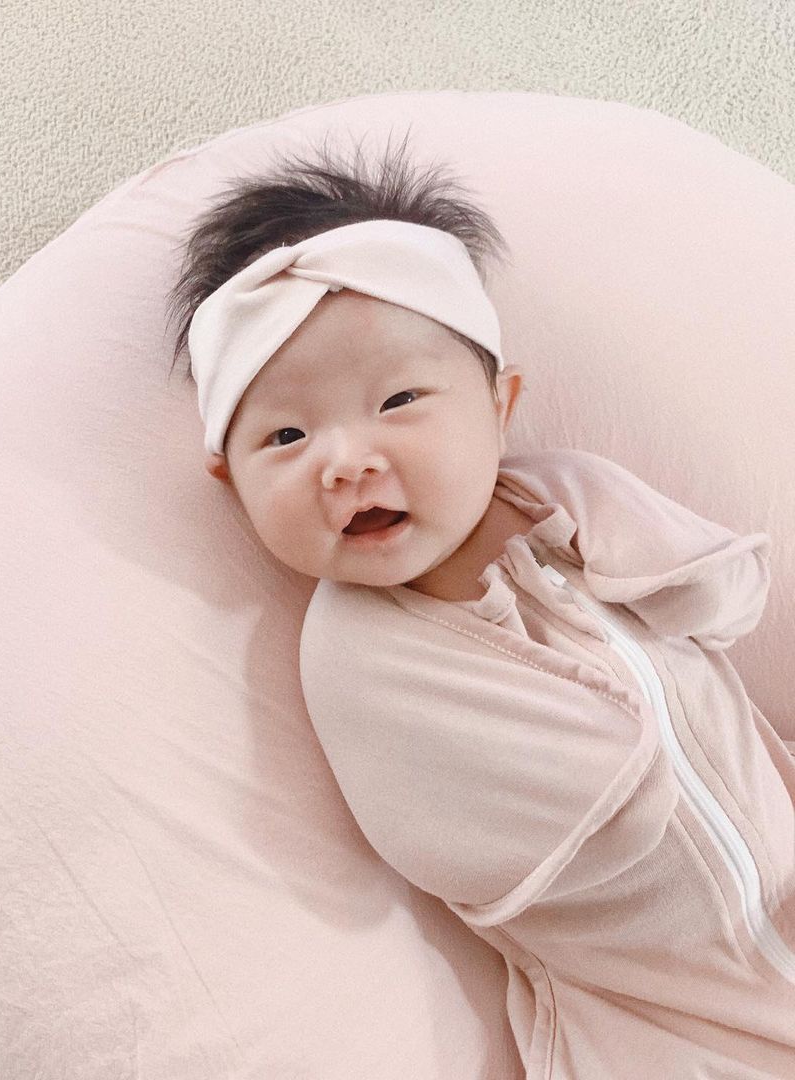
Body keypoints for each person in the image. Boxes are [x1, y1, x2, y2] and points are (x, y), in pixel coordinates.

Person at [166, 132, 795, 1078]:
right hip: (654, 1000)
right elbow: (497, 826)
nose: (347, 459)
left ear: (500, 406)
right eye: (287, 434)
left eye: (399, 398)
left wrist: (626, 550)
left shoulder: (565, 502)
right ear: (231, 483)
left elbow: (724, 594)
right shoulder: (358, 653)